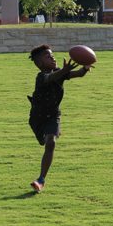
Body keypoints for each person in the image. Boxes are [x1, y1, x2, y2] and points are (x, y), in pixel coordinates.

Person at [27, 44, 91, 193]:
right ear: (40, 63)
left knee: (50, 143)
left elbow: (79, 74)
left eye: (52, 55)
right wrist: (64, 70)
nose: (52, 57)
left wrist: (86, 67)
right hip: (37, 118)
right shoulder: (41, 77)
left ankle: (40, 180)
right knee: (43, 141)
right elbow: (51, 78)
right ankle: (51, 133)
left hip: (53, 116)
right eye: (48, 56)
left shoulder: (60, 72)